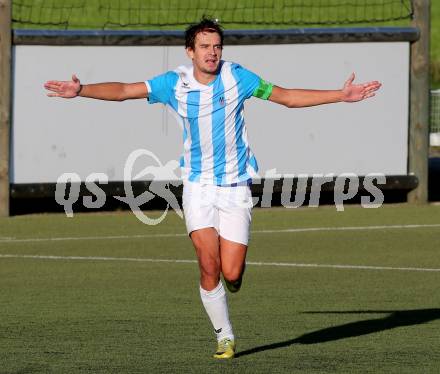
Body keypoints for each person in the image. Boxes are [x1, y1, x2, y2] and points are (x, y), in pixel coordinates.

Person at [44, 17, 382, 359]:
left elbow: (288, 97)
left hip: (236, 187)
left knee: (231, 271)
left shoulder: (238, 77)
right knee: (208, 263)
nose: (212, 53)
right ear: (190, 51)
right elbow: (124, 91)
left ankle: (232, 279)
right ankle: (224, 336)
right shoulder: (173, 83)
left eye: (217, 46)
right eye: (205, 47)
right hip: (198, 186)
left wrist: (341, 95)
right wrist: (82, 90)